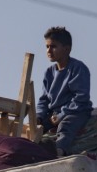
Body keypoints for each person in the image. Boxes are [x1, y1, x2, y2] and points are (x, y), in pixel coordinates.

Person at [36, 26, 92, 156]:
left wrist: (61, 115)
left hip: (76, 111)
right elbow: (44, 100)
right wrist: (39, 117)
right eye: (47, 47)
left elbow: (80, 97)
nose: (49, 50)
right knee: (36, 130)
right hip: (54, 114)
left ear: (67, 49)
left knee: (66, 126)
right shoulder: (49, 72)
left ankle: (59, 151)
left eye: (53, 46)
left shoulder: (77, 68)